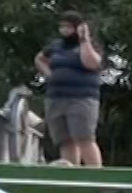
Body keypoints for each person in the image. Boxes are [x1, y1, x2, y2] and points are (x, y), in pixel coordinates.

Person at [33, 11, 106, 167]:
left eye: (68, 26)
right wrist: (48, 74)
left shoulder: (91, 45)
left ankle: (96, 177)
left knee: (84, 138)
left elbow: (91, 64)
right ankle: (71, 175)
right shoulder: (55, 46)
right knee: (65, 140)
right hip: (56, 97)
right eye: (62, 26)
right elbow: (39, 58)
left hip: (81, 98)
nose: (64, 30)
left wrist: (84, 39)